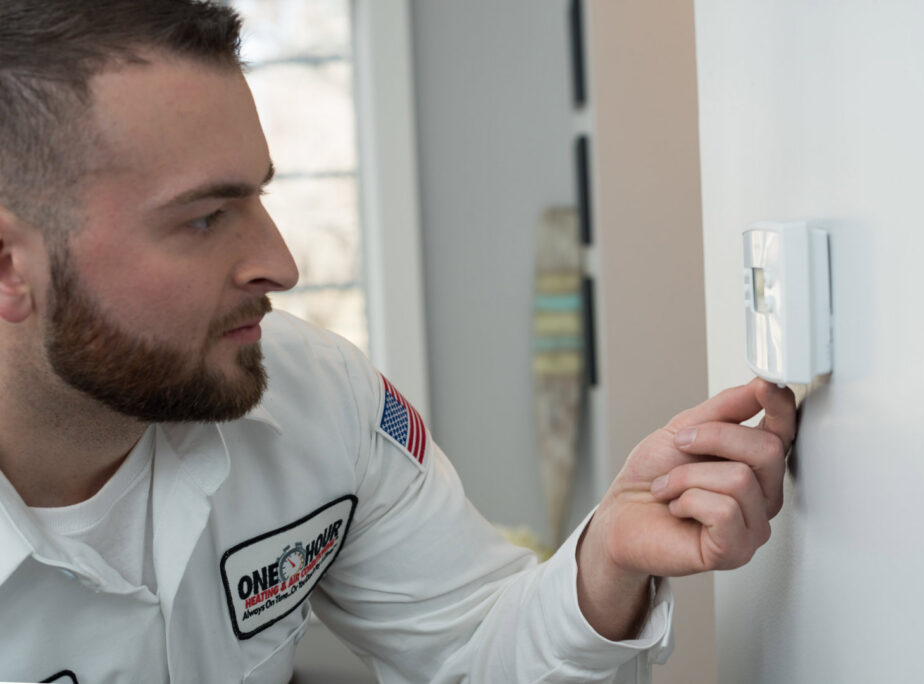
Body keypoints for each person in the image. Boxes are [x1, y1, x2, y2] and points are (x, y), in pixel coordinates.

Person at [0, 1, 796, 682]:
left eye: (258, 198)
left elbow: (473, 646)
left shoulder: (311, 396)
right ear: (10, 268)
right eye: (204, 218)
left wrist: (607, 562)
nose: (281, 265)